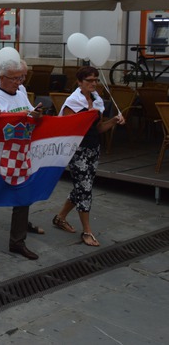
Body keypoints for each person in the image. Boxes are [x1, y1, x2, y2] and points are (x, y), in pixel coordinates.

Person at [53, 66, 124, 247]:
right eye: (89, 81)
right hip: (78, 150)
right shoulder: (73, 101)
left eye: (95, 80)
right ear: (79, 82)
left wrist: (114, 120)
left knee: (83, 186)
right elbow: (67, 128)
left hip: (93, 148)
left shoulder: (96, 99)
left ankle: (60, 218)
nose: (93, 83)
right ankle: (87, 231)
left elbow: (98, 128)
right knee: (85, 189)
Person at [0, 58, 44, 260]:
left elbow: (27, 114)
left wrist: (36, 115)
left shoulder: (21, 94)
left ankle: (18, 242)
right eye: (15, 78)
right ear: (2, 78)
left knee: (22, 199)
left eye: (21, 78)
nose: (19, 82)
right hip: (0, 158)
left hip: (20, 155)